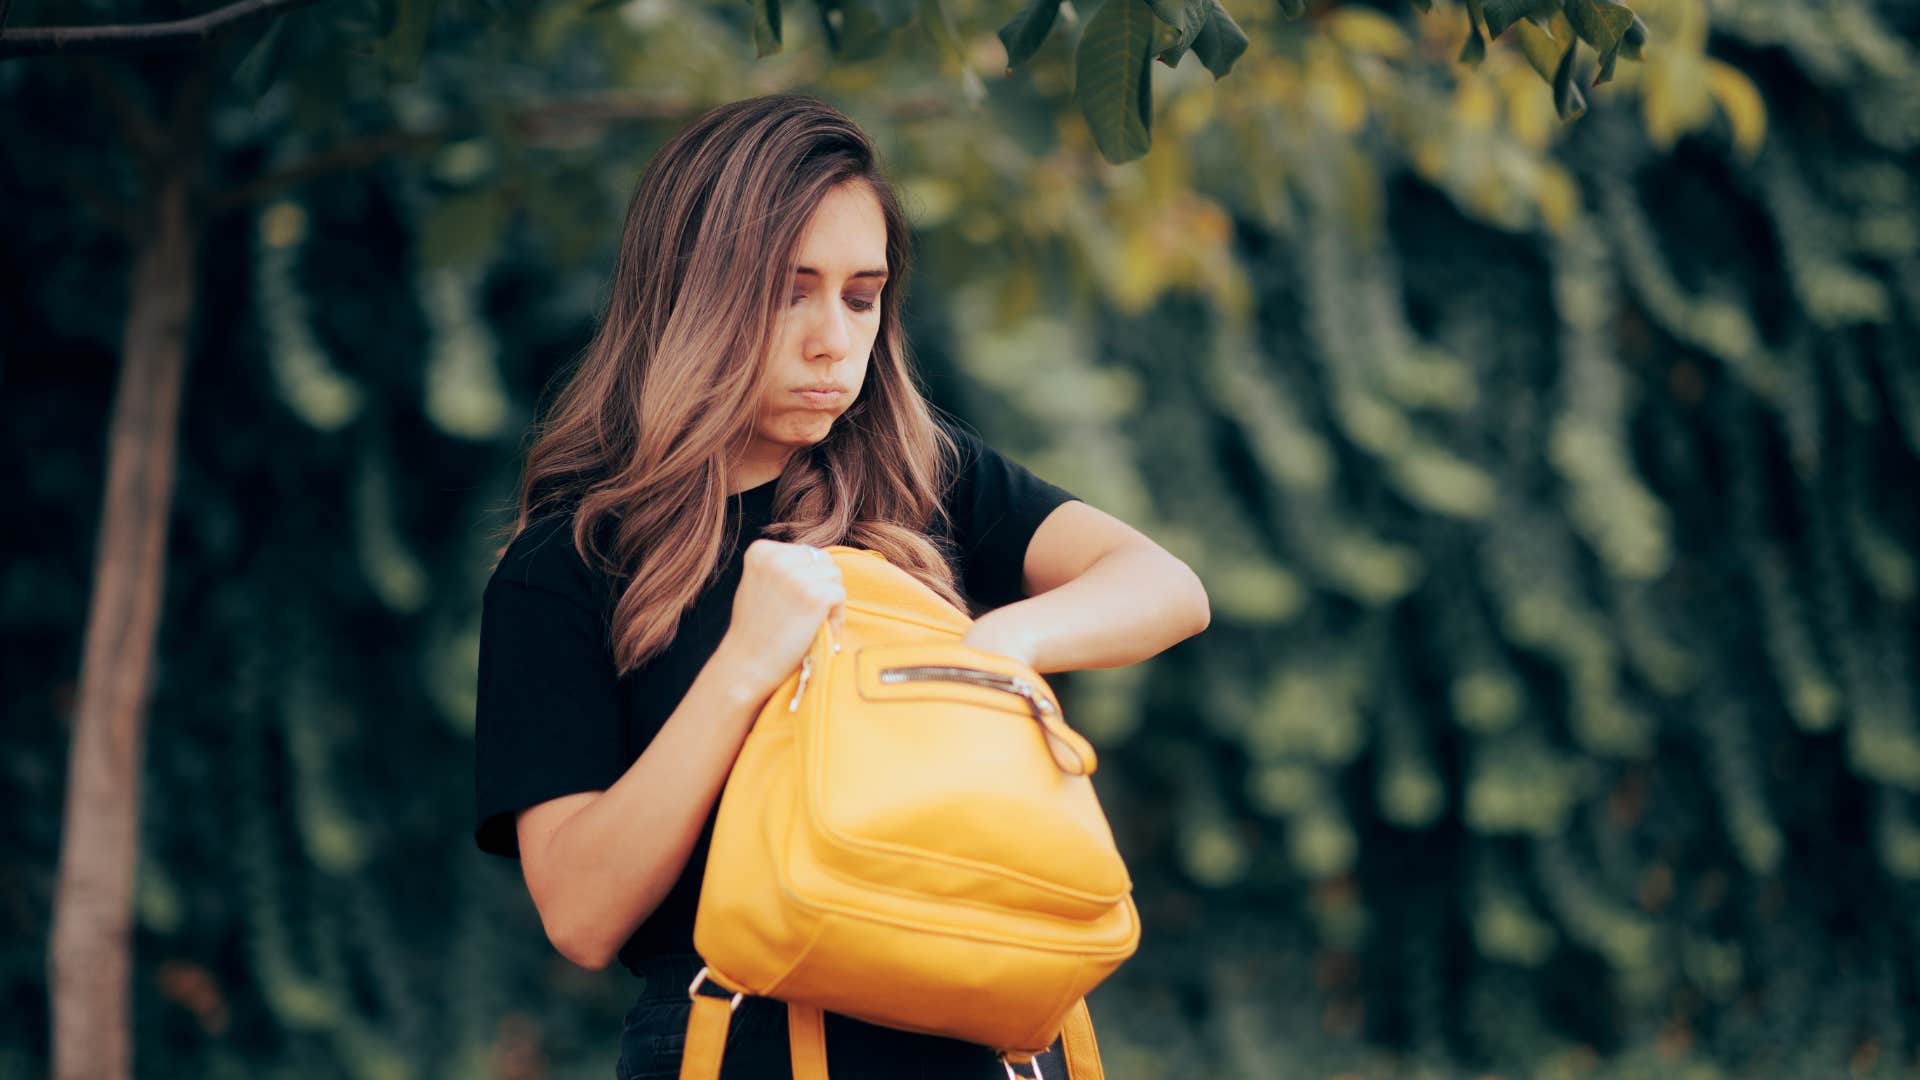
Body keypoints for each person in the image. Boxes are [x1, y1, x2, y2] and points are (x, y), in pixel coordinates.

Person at [471, 92, 1211, 1080]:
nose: (834, 339)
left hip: (980, 1039)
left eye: (862, 295)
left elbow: (1164, 586)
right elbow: (582, 914)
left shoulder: (917, 473)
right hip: (744, 1044)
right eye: (790, 291)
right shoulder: (570, 565)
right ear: (695, 295)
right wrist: (743, 665)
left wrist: (1000, 649)